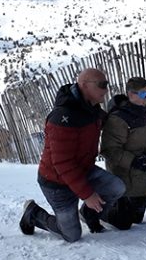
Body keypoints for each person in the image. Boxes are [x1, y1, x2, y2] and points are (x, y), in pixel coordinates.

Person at [19, 68, 126, 242]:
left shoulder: (91, 108)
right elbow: (62, 163)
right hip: (56, 182)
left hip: (82, 171)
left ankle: (87, 214)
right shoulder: (63, 117)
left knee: (116, 187)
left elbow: (106, 120)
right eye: (102, 85)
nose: (107, 90)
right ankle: (33, 213)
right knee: (71, 235)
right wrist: (87, 195)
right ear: (84, 85)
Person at [100, 76, 146, 230]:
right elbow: (110, 150)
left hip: (145, 177)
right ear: (131, 94)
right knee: (123, 222)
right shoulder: (118, 119)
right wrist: (134, 161)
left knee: (136, 218)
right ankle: (92, 212)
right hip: (125, 177)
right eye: (144, 95)